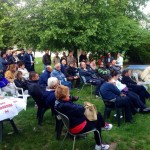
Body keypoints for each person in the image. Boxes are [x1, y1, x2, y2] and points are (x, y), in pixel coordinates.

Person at [55, 85, 112, 150]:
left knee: (97, 115)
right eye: (68, 93)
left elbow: (70, 103)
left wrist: (70, 98)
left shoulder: (58, 103)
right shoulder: (68, 106)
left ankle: (104, 126)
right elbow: (81, 110)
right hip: (77, 127)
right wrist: (85, 107)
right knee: (97, 119)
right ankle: (99, 145)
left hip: (71, 125)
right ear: (64, 95)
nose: (69, 94)